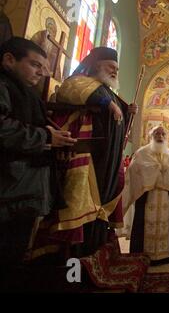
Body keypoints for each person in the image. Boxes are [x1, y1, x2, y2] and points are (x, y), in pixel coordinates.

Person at [34, 47, 138, 259]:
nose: (115, 71)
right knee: (85, 202)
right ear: (96, 65)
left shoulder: (107, 90)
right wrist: (107, 103)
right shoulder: (79, 81)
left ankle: (95, 254)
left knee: (100, 205)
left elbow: (116, 122)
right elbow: (73, 91)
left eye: (117, 68)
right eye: (111, 67)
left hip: (106, 160)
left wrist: (128, 112)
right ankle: (75, 258)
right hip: (87, 158)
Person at [0, 37, 76, 290]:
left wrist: (56, 145)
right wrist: (46, 137)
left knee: (14, 256)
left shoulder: (27, 93)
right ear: (9, 60)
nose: (42, 72)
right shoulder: (4, 85)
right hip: (9, 190)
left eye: (43, 67)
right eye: (35, 65)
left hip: (22, 191)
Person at [121, 126, 169, 265]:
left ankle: (165, 255)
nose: (160, 136)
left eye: (162, 134)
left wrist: (165, 176)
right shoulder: (142, 153)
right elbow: (134, 171)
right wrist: (154, 173)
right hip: (147, 196)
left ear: (166, 137)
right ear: (151, 135)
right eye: (157, 133)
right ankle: (142, 255)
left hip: (165, 197)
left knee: (164, 226)